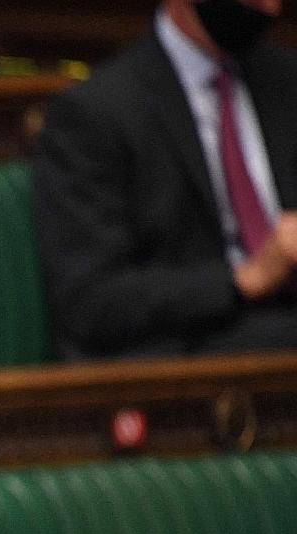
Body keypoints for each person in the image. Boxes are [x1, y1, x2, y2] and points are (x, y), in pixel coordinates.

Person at [33, 0, 297, 360]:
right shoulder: (95, 113)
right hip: (183, 344)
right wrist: (245, 279)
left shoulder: (286, 81)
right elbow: (91, 300)